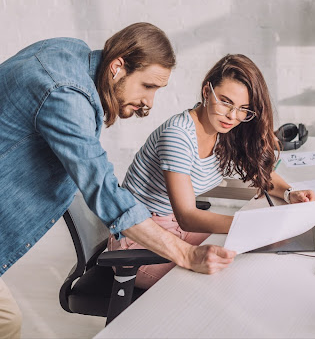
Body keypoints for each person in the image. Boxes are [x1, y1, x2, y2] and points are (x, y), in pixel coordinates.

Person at [0, 23, 235, 337]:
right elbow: (105, 191)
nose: (149, 102)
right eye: (147, 86)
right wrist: (186, 254)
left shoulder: (71, 56)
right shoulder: (65, 94)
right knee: (7, 323)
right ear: (117, 66)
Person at [109, 54, 315, 289]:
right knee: (219, 285)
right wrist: (253, 224)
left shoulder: (223, 131)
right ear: (207, 91)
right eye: (226, 102)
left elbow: (258, 173)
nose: (232, 116)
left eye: (243, 109)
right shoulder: (178, 136)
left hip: (176, 230)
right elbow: (188, 216)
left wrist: (290, 193)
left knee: (251, 260)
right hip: (141, 241)